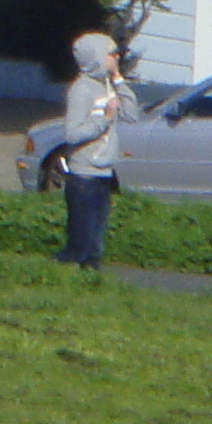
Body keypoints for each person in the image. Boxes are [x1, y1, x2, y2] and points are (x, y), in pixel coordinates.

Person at [52, 29, 137, 271]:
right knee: (81, 243)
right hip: (84, 175)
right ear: (97, 56)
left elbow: (131, 114)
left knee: (95, 247)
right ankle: (54, 274)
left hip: (104, 173)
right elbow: (72, 133)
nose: (116, 57)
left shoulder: (108, 85)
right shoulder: (82, 89)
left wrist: (119, 80)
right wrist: (105, 119)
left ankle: (91, 283)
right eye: (112, 54)